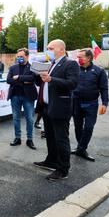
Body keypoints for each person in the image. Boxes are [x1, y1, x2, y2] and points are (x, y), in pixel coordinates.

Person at [33, 40, 79, 181]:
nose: (48, 50)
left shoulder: (70, 64)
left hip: (60, 107)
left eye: (50, 48)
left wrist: (51, 79)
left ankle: (63, 169)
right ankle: (51, 160)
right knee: (50, 137)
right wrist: (37, 74)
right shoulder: (50, 64)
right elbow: (41, 83)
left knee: (61, 139)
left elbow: (72, 84)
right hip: (47, 106)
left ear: (60, 49)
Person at [71, 48, 109, 162]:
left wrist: (104, 103)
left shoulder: (99, 71)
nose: (78, 59)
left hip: (91, 104)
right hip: (76, 102)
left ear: (88, 58)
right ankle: (81, 148)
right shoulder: (75, 70)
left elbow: (104, 88)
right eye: (77, 57)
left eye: (80, 57)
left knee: (88, 127)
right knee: (78, 127)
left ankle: (81, 149)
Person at [6, 48, 38, 150]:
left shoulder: (33, 67)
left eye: (21, 56)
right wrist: (24, 80)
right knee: (16, 118)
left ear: (27, 56)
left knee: (30, 118)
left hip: (28, 96)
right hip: (15, 96)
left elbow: (33, 78)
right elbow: (9, 80)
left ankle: (29, 139)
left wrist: (19, 77)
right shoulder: (13, 67)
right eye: (18, 56)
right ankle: (17, 138)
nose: (19, 58)